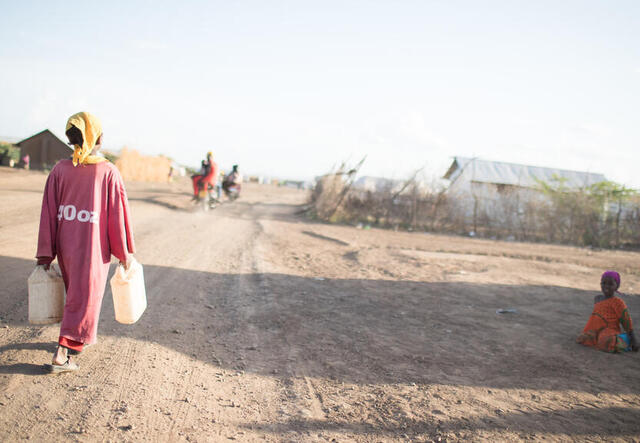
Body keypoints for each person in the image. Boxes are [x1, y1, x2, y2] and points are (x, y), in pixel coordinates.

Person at [36, 112, 135, 373]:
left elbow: (48, 212)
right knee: (85, 297)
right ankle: (63, 352)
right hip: (93, 248)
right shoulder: (108, 172)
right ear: (97, 137)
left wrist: (46, 255)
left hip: (66, 245)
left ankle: (81, 338)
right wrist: (124, 254)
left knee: (79, 295)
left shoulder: (60, 169)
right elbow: (116, 216)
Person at [577, 271, 638, 353]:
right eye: (603, 283)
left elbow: (626, 320)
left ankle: (625, 340)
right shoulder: (597, 298)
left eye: (610, 284)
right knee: (584, 338)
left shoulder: (618, 302)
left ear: (617, 286)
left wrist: (633, 339)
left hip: (609, 330)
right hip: (596, 329)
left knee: (605, 341)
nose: (606, 286)